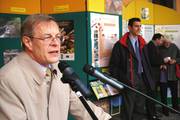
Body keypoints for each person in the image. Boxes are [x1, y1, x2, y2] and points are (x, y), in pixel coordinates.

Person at [0, 14, 111, 120]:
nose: (56, 43)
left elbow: (82, 108)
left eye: (58, 37)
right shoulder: (6, 79)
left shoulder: (58, 69)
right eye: (47, 37)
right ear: (28, 42)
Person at [109, 18, 156, 120]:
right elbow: (113, 66)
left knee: (139, 109)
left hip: (142, 80)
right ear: (129, 27)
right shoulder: (120, 45)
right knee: (128, 110)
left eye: (140, 26)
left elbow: (147, 63)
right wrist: (124, 78)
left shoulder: (143, 44)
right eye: (136, 26)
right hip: (129, 81)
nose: (139, 28)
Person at [159, 38, 180, 116]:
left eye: (169, 42)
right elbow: (155, 59)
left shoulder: (174, 47)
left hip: (173, 74)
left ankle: (175, 108)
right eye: (165, 42)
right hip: (163, 74)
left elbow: (179, 58)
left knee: (174, 93)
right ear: (163, 42)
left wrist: (175, 61)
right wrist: (162, 63)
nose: (167, 44)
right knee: (163, 94)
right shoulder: (159, 48)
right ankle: (165, 110)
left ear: (171, 42)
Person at [146, 33, 165, 119]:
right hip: (151, 76)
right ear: (156, 39)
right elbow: (152, 61)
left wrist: (160, 63)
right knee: (151, 95)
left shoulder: (154, 46)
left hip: (154, 75)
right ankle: (151, 115)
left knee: (153, 95)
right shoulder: (150, 46)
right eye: (161, 40)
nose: (161, 42)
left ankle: (153, 113)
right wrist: (163, 61)